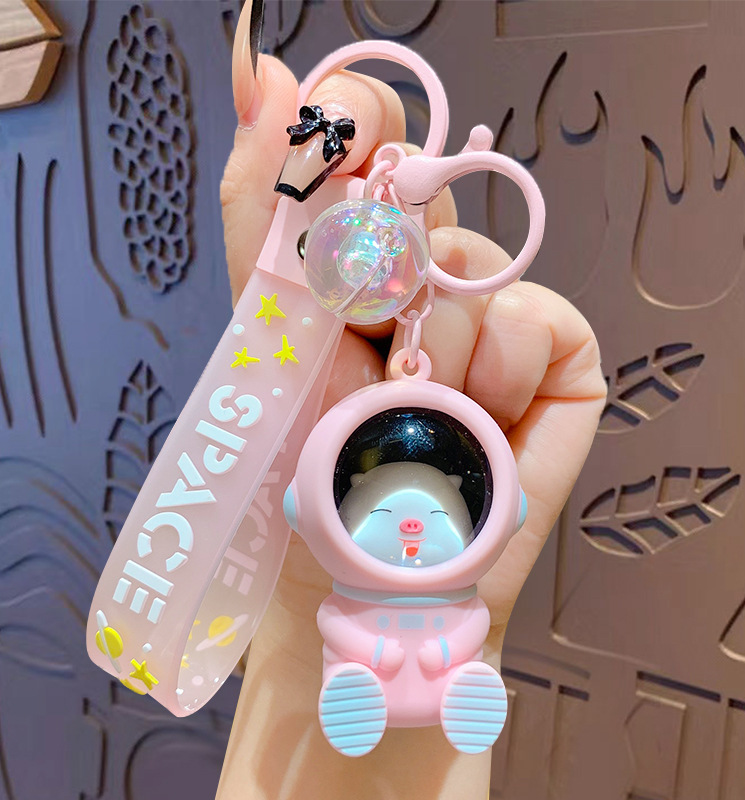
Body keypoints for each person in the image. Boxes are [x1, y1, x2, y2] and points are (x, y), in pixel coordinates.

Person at [216, 2, 606, 797]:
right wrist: (297, 648)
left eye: (427, 510)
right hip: (357, 655)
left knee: (443, 655)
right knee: (355, 657)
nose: (413, 529)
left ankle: (460, 687)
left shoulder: (466, 553)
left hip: (447, 643)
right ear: (308, 512)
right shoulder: (330, 558)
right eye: (390, 511)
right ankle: (372, 689)